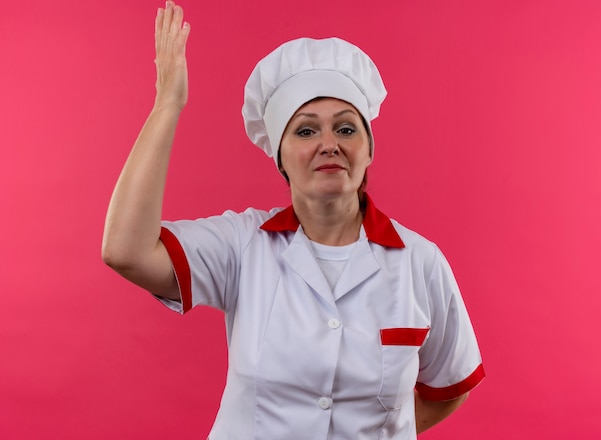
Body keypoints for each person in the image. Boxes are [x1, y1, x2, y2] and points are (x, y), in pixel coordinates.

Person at [102, 2, 485, 438]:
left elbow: (450, 386)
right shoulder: (243, 245)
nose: (328, 144)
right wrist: (167, 104)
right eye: (305, 130)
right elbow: (125, 251)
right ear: (279, 156)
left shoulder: (420, 262)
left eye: (345, 129)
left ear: (369, 149)